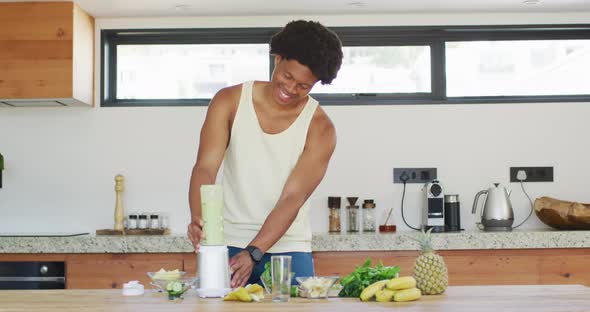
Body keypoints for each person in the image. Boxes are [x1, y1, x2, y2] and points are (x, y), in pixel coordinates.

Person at [187, 20, 343, 288]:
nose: (291, 90)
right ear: (277, 59)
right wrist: (199, 219)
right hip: (229, 244)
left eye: (304, 86)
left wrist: (255, 252)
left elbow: (293, 198)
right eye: (288, 76)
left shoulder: (321, 128)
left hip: (290, 249)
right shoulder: (229, 101)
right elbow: (205, 167)